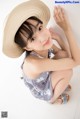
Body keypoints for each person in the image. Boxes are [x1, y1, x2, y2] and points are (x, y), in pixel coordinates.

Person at [2, 1, 80, 104]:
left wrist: (58, 38)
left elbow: (67, 56)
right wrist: (66, 29)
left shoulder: (42, 44)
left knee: (62, 55)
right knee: (67, 71)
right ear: (27, 48)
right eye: (33, 39)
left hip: (45, 75)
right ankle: (52, 100)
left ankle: (56, 85)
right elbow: (76, 61)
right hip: (41, 89)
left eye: (40, 28)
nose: (43, 37)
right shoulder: (34, 64)